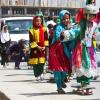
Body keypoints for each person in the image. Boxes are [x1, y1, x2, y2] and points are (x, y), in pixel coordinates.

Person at [48, 10, 81, 94]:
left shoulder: (71, 27)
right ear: (61, 19)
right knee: (58, 70)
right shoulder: (59, 27)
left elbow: (74, 36)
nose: (66, 20)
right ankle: (59, 87)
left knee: (65, 69)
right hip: (57, 51)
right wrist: (64, 33)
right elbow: (58, 37)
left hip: (65, 51)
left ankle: (62, 81)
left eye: (68, 18)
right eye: (64, 19)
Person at [72, 4, 99, 88]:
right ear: (85, 15)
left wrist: (96, 35)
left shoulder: (94, 25)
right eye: (90, 15)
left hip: (90, 48)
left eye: (93, 15)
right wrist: (65, 35)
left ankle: (86, 82)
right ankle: (82, 82)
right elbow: (74, 32)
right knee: (82, 65)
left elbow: (97, 34)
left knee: (90, 64)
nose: (91, 17)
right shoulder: (80, 24)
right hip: (81, 47)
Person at [28, 12, 49, 80]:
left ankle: (41, 73)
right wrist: (37, 47)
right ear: (34, 21)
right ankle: (37, 75)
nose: (38, 22)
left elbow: (46, 38)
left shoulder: (44, 29)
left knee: (42, 62)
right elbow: (31, 40)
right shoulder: (31, 30)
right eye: (37, 21)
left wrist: (44, 47)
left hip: (42, 48)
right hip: (35, 48)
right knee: (36, 63)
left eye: (40, 21)